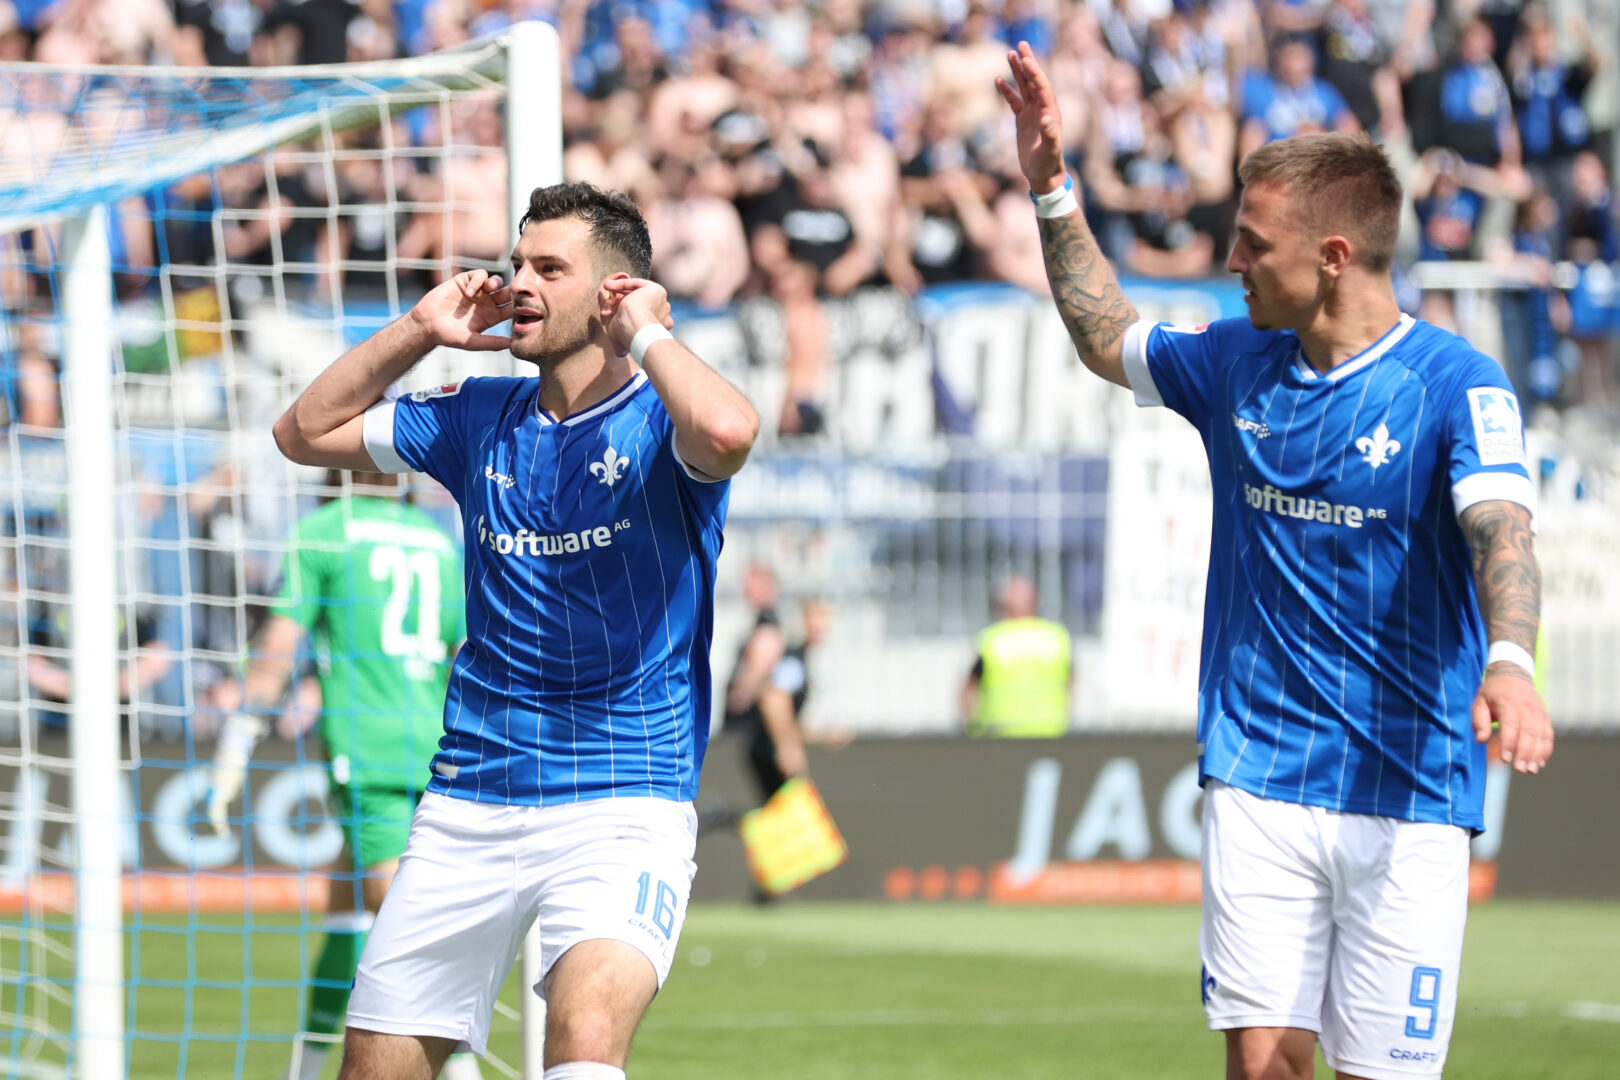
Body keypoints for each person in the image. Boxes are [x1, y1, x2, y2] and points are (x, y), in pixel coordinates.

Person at [997, 41, 1553, 1080]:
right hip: (1260, 770)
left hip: (1412, 781)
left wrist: (1512, 662)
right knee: (1263, 1064)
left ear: (1335, 255)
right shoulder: (1231, 361)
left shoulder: (1457, 384)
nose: (1232, 263)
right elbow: (1103, 333)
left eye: (1253, 244)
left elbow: (1502, 530)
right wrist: (1050, 185)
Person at [272, 181, 759, 1080]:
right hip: (471, 797)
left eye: (549, 268)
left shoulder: (665, 417)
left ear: (613, 293)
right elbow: (303, 432)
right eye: (517, 262)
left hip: (625, 795)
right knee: (375, 1067)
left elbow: (730, 431)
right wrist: (419, 329)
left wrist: (649, 333)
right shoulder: (477, 417)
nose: (519, 283)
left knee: (581, 1048)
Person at [204, 469, 474, 1080]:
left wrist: (235, 745)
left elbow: (277, 646)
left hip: (370, 754)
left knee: (404, 931)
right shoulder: (437, 540)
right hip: (439, 746)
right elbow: (466, 651)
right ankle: (303, 1069)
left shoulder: (325, 532)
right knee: (344, 912)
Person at [959, 575, 1072, 737]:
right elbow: (1070, 685)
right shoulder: (1056, 637)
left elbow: (969, 690)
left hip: (999, 735)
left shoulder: (991, 640)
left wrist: (971, 728)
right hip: (1050, 732)